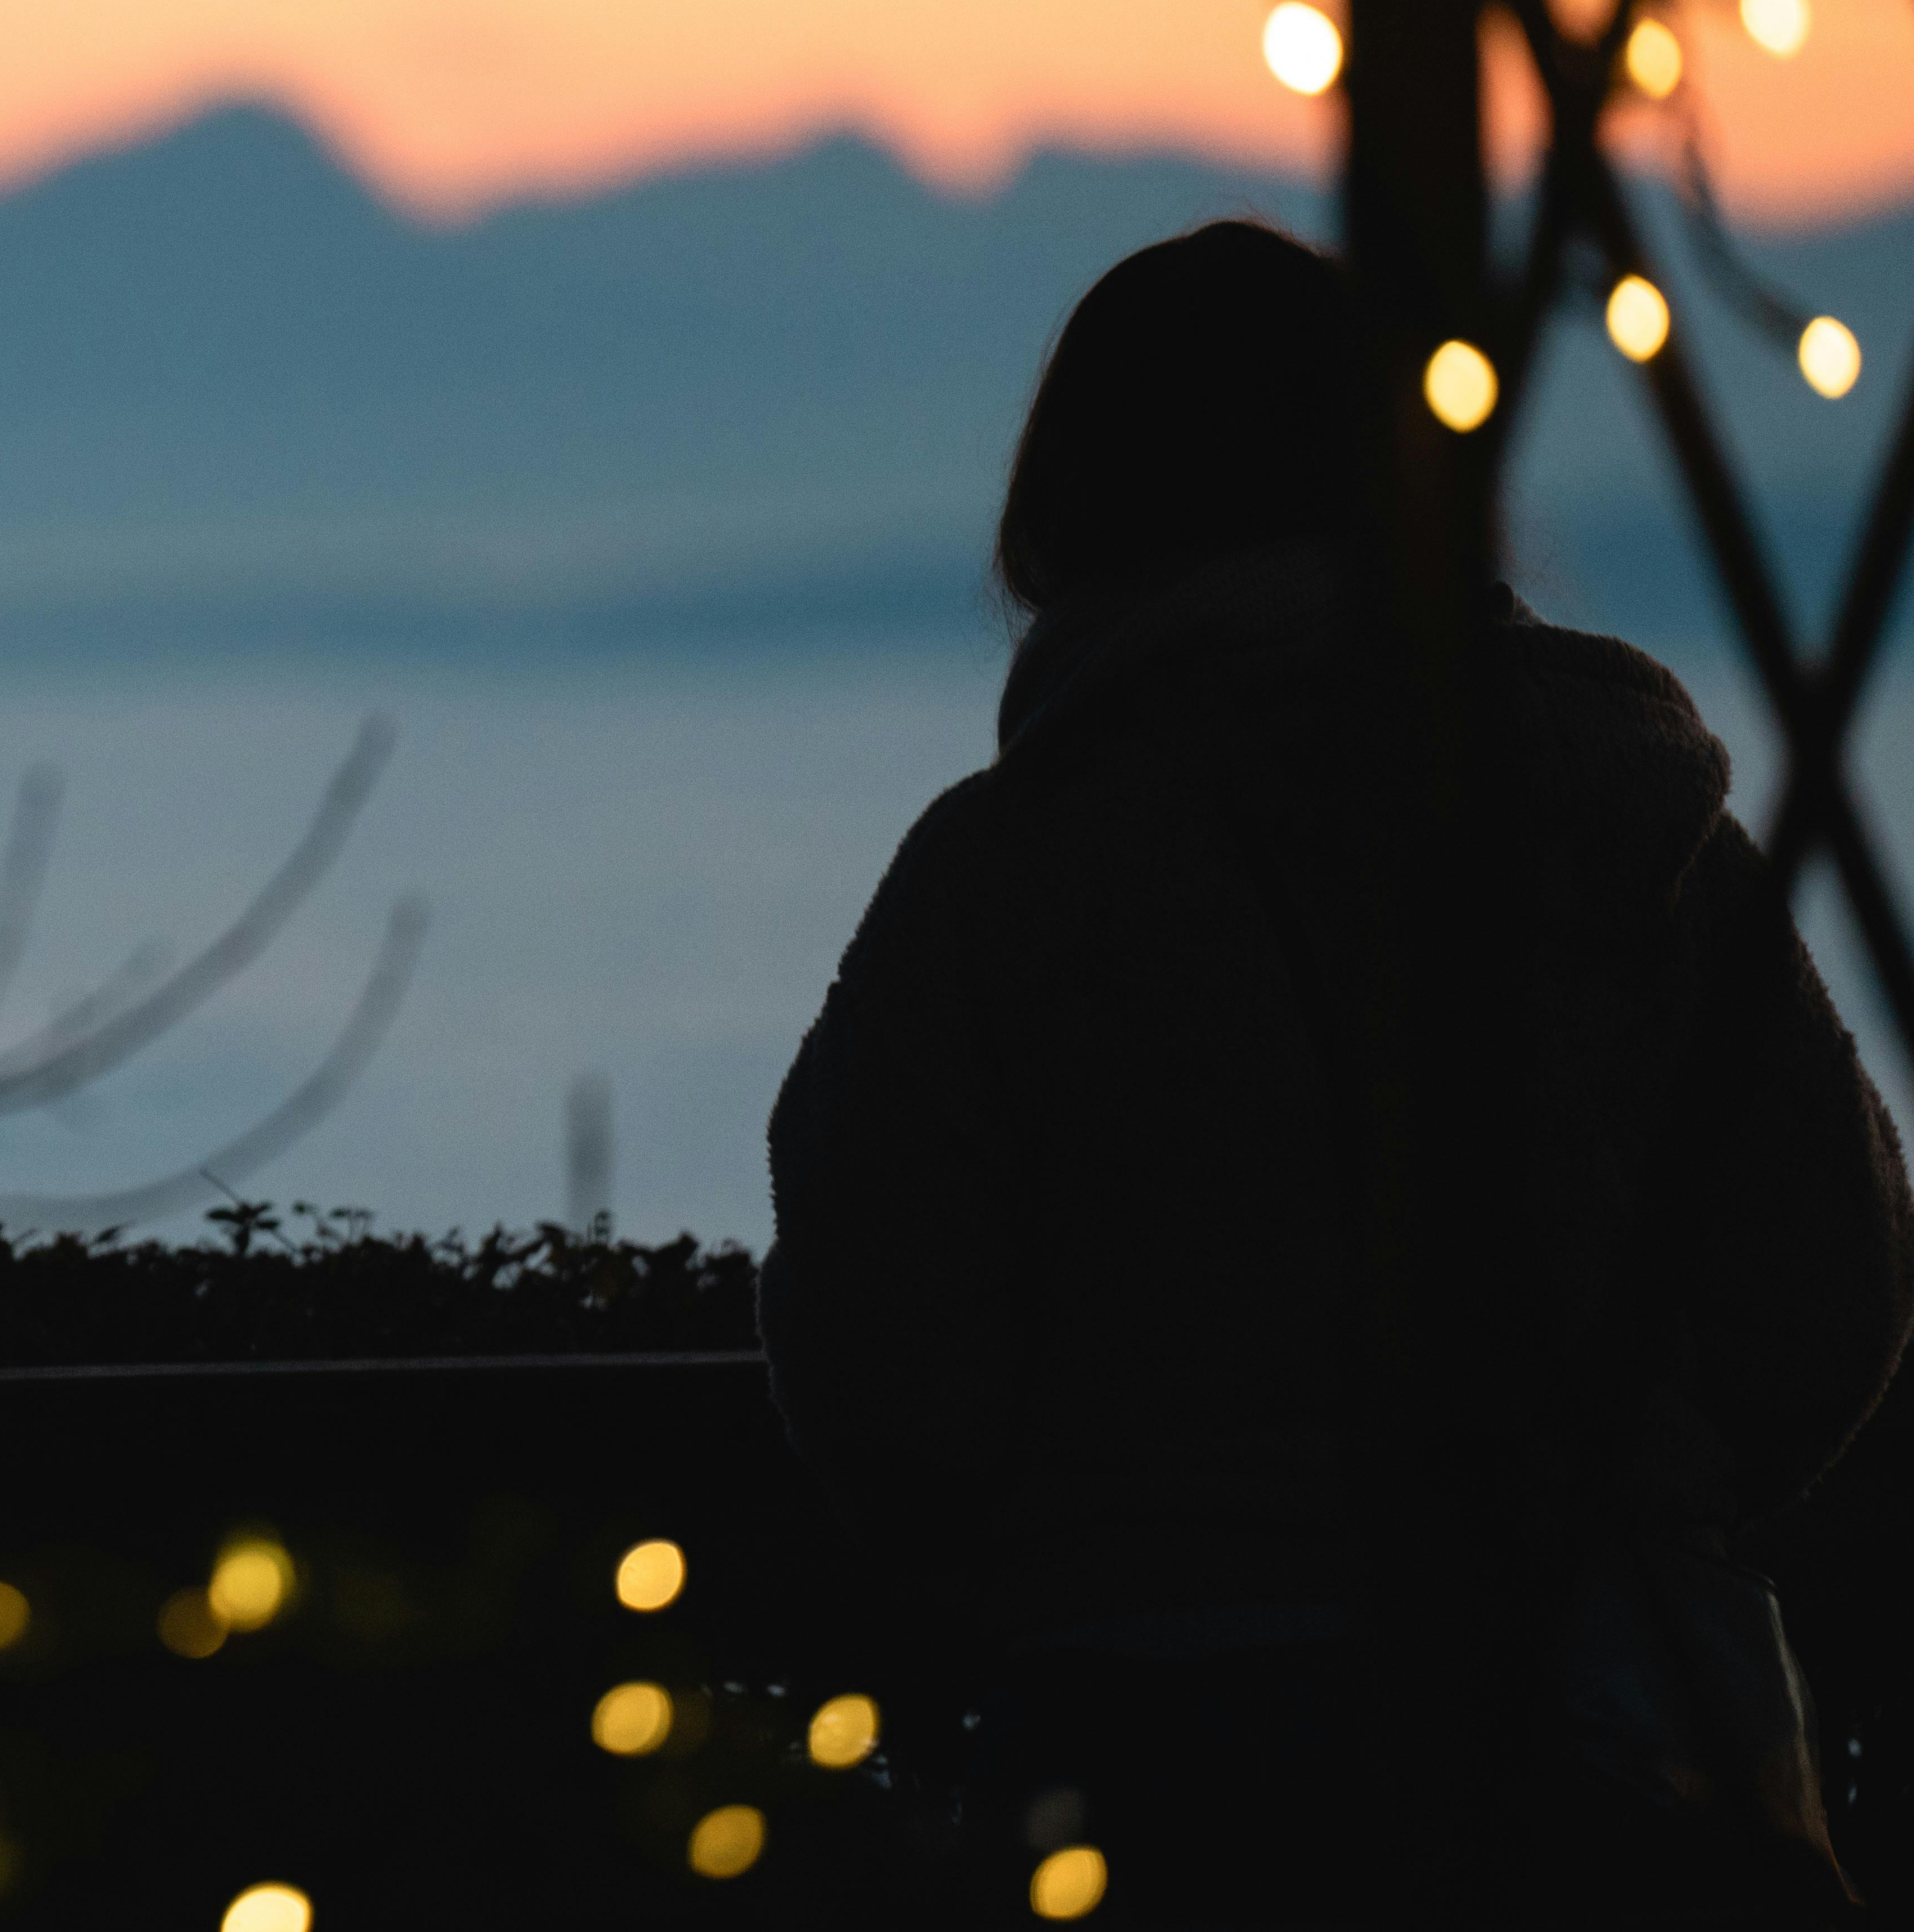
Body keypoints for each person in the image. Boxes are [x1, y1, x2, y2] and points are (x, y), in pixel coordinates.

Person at [761, 221, 1914, 1922]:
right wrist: (1646, 1502)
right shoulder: (1622, 818)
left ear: (1068, 502)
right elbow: (1838, 1264)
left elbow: (877, 1328)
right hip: (1627, 1708)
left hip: (1159, 1742)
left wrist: (1067, 1554)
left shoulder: (1008, 876)